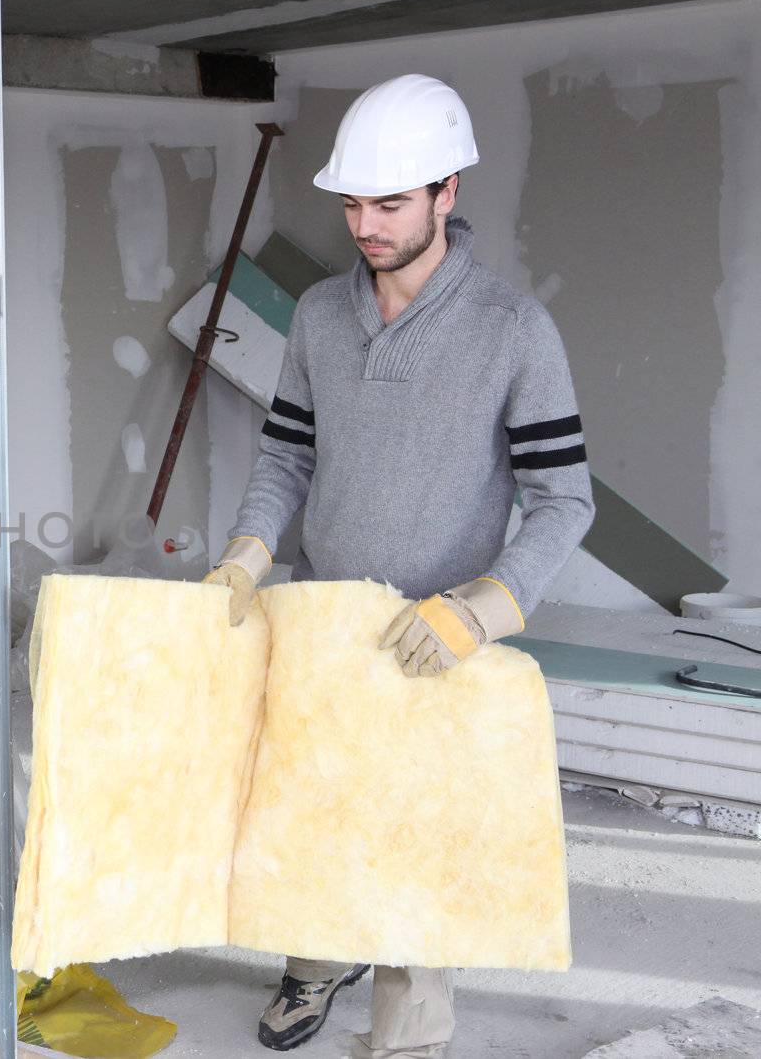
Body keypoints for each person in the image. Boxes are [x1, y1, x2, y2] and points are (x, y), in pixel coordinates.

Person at [203, 73, 596, 1056]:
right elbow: (287, 452)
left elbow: (563, 500)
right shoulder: (321, 317)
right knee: (314, 803)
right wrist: (250, 550)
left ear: (445, 193)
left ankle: (410, 1021)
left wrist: (484, 607)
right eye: (352, 203)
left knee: (417, 840)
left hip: (437, 634)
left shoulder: (513, 331)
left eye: (390, 203)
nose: (366, 224)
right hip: (324, 621)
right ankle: (314, 958)